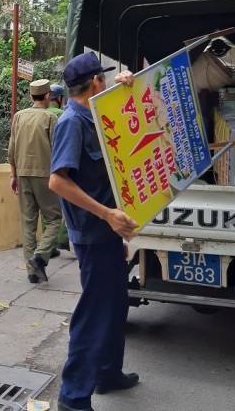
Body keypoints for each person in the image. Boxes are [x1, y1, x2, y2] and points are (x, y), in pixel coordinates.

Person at [49, 51, 140, 411]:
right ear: (95, 83)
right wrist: (107, 216)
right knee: (94, 313)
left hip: (108, 232)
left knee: (115, 306)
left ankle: (107, 373)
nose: (108, 80)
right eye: (106, 77)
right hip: (94, 230)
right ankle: (73, 396)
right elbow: (57, 181)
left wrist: (129, 86)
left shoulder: (96, 113)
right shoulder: (73, 122)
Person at [8, 79, 63, 284]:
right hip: (45, 175)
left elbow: (11, 150)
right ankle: (40, 255)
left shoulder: (19, 117)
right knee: (55, 218)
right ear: (48, 96)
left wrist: (12, 175)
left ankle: (32, 271)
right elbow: (57, 150)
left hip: (22, 174)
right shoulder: (50, 118)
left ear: (31, 97)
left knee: (28, 222)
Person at [46, 83, 71, 253]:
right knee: (68, 204)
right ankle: (63, 239)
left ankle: (49, 244)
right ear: (60, 98)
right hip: (61, 165)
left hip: (41, 168)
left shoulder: (38, 114)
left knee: (45, 209)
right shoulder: (64, 115)